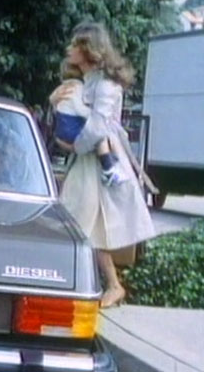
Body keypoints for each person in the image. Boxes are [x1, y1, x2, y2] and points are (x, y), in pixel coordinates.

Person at [49, 22, 155, 308]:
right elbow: (69, 115)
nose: (69, 49)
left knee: (80, 221)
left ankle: (104, 284)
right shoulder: (87, 81)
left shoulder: (105, 85)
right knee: (81, 222)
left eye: (75, 45)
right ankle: (107, 284)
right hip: (87, 160)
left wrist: (74, 146)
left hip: (99, 162)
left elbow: (97, 127)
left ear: (88, 49)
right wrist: (55, 102)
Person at [54, 58, 128, 186]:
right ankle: (109, 168)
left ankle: (110, 165)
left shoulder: (100, 86)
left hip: (80, 134)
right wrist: (92, 115)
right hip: (86, 138)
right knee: (100, 139)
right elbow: (85, 114)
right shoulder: (78, 87)